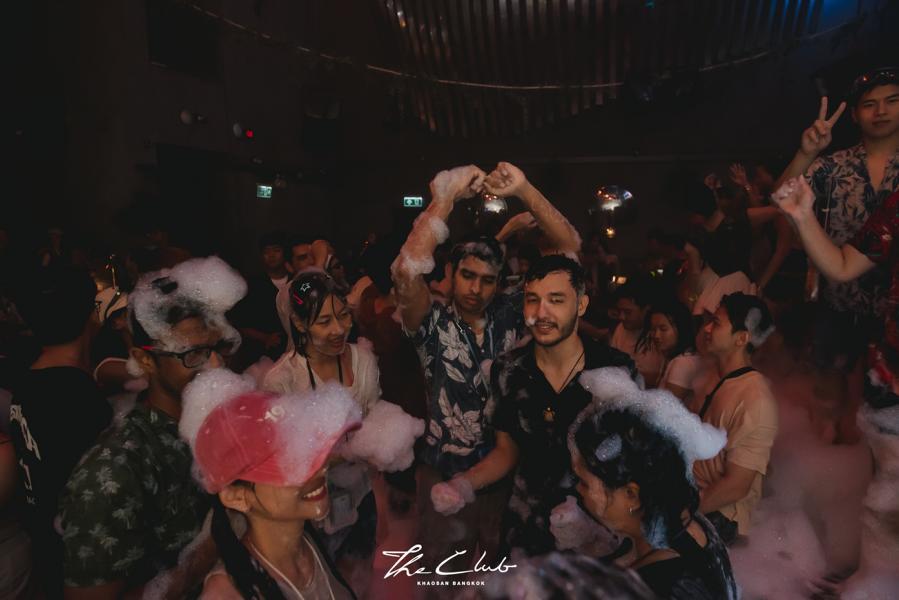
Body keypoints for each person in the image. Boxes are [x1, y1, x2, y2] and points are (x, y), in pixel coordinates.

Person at [391, 162, 582, 571]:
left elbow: (569, 249)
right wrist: (444, 199)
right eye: (467, 275)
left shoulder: (511, 310)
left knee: (498, 575)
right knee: (442, 577)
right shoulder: (431, 322)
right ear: (450, 272)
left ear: (501, 281)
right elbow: (406, 271)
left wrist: (525, 189)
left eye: (488, 280)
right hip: (442, 469)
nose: (476, 289)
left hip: (506, 469)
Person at [57, 256, 246, 598]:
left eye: (219, 347)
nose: (217, 365)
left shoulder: (223, 422)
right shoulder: (115, 471)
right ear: (145, 360)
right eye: (192, 354)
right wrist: (206, 552)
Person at [430, 256, 636, 556]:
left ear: (581, 305)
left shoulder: (615, 370)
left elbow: (632, 462)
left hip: (597, 534)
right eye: (532, 300)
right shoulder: (509, 370)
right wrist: (463, 484)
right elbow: (506, 451)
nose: (541, 313)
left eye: (556, 300)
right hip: (527, 528)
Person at [777, 68, 899, 439]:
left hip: (892, 313)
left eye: (892, 101)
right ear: (855, 115)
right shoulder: (835, 165)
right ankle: (830, 454)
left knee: (881, 403)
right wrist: (806, 152)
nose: (881, 111)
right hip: (839, 296)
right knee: (829, 387)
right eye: (870, 104)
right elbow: (783, 196)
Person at [178, 368, 359, 600]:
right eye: (290, 465)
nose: (320, 469)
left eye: (309, 451)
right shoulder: (226, 594)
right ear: (237, 497)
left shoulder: (309, 544)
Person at [569, 368, 737, 599]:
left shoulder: (651, 588)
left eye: (584, 483)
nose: (577, 489)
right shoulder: (688, 523)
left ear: (631, 495)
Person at [262, 270, 380, 580]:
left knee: (362, 576)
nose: (339, 329)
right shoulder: (282, 380)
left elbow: (376, 421)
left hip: (361, 494)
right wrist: (347, 452)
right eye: (324, 321)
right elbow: (281, 463)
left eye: (344, 315)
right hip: (309, 506)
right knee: (323, 580)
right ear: (300, 323)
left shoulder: (363, 360)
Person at [9, 267, 113, 596]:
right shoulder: (75, 396)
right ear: (91, 315)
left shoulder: (30, 378)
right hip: (81, 560)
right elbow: (98, 499)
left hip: (45, 541)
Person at [691, 293, 778, 543]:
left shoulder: (756, 400)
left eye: (716, 323)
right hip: (693, 491)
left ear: (741, 338)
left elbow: (736, 486)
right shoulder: (715, 376)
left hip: (721, 516)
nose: (707, 329)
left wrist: (680, 513)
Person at [231, 232, 290, 367]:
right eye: (266, 252)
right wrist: (265, 338)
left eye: (276, 250)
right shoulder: (253, 285)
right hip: (261, 355)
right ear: (261, 256)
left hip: (294, 352)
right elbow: (240, 323)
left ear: (284, 253)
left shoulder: (296, 281)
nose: (271, 255)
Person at [636, 299, 703, 405]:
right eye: (653, 329)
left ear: (681, 328)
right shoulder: (675, 356)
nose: (656, 335)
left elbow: (665, 408)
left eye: (663, 329)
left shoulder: (683, 363)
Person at [609, 279, 664, 386]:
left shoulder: (657, 335)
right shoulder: (621, 328)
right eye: (619, 311)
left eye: (627, 312)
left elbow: (656, 378)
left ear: (646, 310)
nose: (621, 317)